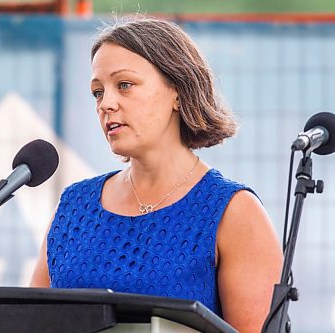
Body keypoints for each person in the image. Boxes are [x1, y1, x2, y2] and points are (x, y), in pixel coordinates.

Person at [30, 18, 283, 333]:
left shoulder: (235, 212)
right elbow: (31, 320)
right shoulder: (73, 206)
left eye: (124, 85)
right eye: (98, 92)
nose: (106, 104)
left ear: (177, 91)